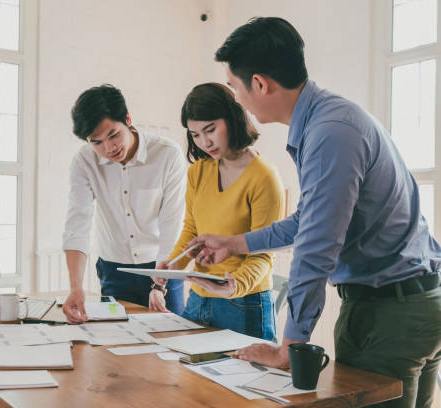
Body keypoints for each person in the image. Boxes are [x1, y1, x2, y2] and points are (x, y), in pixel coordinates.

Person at [187, 17, 441, 408]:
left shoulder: (329, 132)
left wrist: (289, 345)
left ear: (259, 83)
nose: (237, 98)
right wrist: (236, 242)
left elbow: (316, 245)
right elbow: (309, 221)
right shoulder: (331, 120)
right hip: (413, 303)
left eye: (235, 87)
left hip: (389, 316)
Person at [151, 83, 284, 342]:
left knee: (243, 380)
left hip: (245, 302)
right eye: (196, 135)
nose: (204, 142)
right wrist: (173, 265)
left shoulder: (264, 176)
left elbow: (264, 253)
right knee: (189, 380)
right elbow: (191, 228)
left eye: (210, 129)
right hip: (199, 297)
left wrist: (235, 284)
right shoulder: (198, 171)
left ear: (233, 117)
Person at [62, 84, 186, 324]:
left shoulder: (167, 154)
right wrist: (75, 287)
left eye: (113, 135)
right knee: (117, 345)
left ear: (127, 119)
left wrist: (159, 285)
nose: (109, 149)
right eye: (96, 142)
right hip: (114, 270)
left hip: (162, 265)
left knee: (172, 344)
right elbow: (77, 224)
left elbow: (172, 224)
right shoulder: (84, 161)